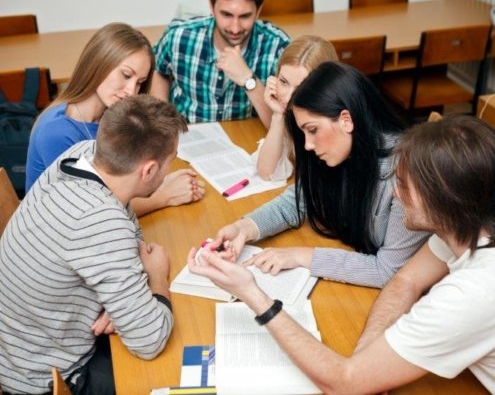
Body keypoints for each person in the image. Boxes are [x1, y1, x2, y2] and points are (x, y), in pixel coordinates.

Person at [189, 114, 495, 393]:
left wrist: (252, 294)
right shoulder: (465, 224)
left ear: (443, 201)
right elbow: (406, 281)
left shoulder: (472, 291)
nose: (396, 194)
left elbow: (345, 384)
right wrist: (370, 355)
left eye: (403, 185)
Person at [0, 95, 181, 395]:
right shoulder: (100, 220)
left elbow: (128, 234)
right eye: (170, 160)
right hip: (44, 377)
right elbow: (149, 340)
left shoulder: (82, 155)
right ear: (148, 170)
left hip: (21, 344)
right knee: (175, 378)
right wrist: (157, 278)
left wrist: (124, 298)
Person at [215, 61, 428, 288]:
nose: (307, 145)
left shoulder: (407, 173)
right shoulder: (345, 152)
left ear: (346, 120)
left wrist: (300, 256)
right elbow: (298, 201)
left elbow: (387, 271)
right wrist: (243, 229)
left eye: (313, 130)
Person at [25, 22, 205, 214]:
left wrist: (158, 183)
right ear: (99, 63)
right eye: (126, 75)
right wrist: (164, 195)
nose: (131, 91)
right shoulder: (57, 133)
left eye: (140, 83)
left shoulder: (110, 115)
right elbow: (89, 211)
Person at [151, 0, 290, 128]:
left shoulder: (278, 46)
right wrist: (163, 120)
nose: (235, 28)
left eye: (245, 16)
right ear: (211, 6)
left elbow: (282, 127)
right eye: (226, 15)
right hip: (185, 132)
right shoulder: (178, 35)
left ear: (258, 11)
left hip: (244, 136)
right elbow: (159, 69)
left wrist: (248, 79)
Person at [255, 35, 338, 181]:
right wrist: (278, 115)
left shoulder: (333, 122)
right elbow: (267, 172)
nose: (287, 98)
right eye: (283, 82)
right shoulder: (292, 117)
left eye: (302, 88)